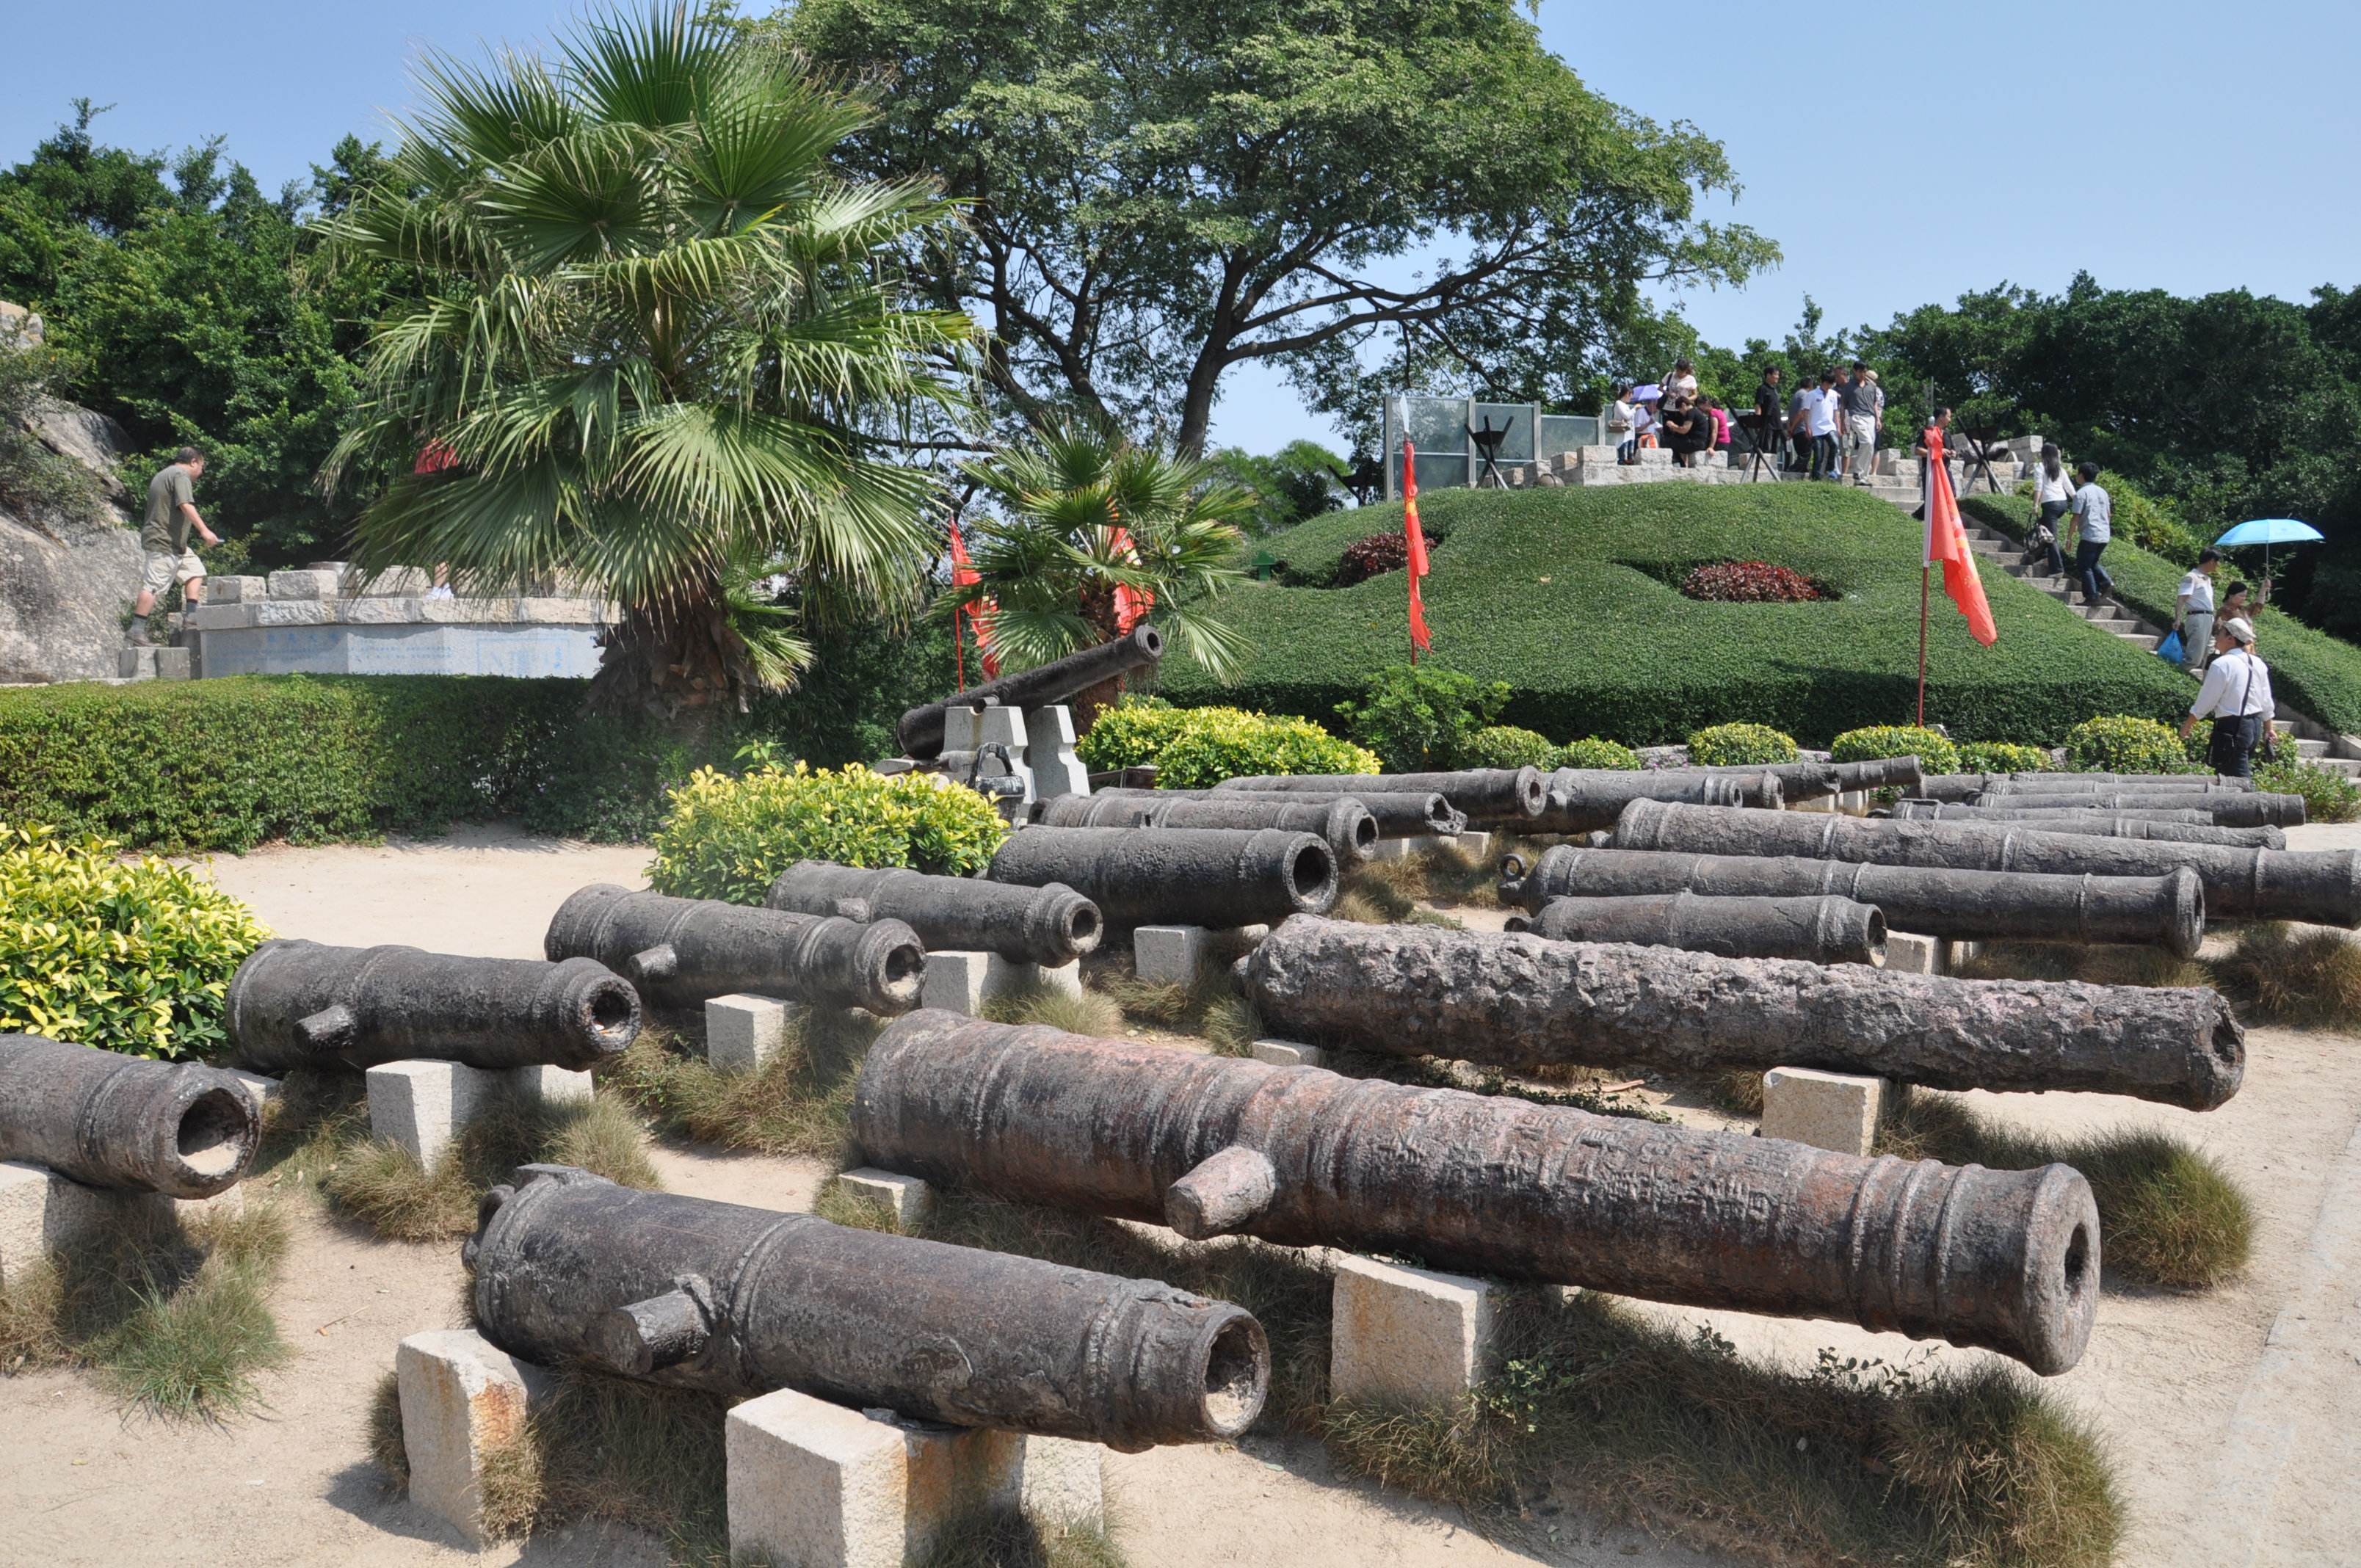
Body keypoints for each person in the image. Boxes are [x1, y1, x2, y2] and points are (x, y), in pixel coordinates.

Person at [129, 446, 218, 647]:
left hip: (176, 544)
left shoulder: (164, 474)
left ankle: (191, 618)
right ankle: (136, 630)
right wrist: (204, 531)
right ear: (194, 462)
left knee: (195, 571)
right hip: (163, 541)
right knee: (153, 586)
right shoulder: (180, 475)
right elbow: (185, 505)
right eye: (202, 467)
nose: (201, 473)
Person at [2180, 617, 2273, 778]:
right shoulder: (2258, 663)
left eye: (2220, 633)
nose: (2216, 637)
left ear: (2230, 639)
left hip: (2233, 727)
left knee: (2238, 778)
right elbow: (2266, 700)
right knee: (2229, 774)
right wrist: (2268, 729)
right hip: (2254, 726)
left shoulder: (2222, 664)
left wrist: (2188, 724)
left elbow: (2207, 700)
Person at [2067, 461, 2114, 606]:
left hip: (2090, 534)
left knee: (2084, 566)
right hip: (2104, 535)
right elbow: (2109, 515)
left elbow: (2076, 517)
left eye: (2077, 474)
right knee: (2092, 563)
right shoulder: (2103, 492)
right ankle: (2106, 582)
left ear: (2081, 475)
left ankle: (2092, 596)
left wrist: (2069, 538)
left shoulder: (2081, 494)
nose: (2076, 476)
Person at [2175, 548, 2222, 675]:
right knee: (2194, 659)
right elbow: (2181, 599)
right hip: (2198, 617)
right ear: (2211, 561)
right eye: (2218, 562)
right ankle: (2176, 674)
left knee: (2210, 653)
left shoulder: (2207, 579)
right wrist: (2177, 619)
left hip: (2208, 618)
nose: (2218, 565)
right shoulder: (2191, 577)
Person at [2031, 443, 2073, 575]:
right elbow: (2070, 488)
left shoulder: (2040, 467)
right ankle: (2042, 556)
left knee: (2051, 537)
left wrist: (2035, 505)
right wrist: (2079, 501)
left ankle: (2057, 569)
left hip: (2050, 505)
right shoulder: (2060, 469)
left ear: (2044, 454)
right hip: (2063, 504)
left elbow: (2038, 487)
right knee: (2042, 527)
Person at [1839, 361, 1882, 485]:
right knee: (1866, 442)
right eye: (1860, 372)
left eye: (1865, 372)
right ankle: (1857, 471)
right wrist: (1842, 423)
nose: (1863, 374)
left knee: (1870, 446)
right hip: (1856, 416)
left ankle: (1862, 477)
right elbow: (1843, 405)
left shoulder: (1871, 386)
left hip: (1871, 417)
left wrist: (1878, 419)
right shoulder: (1848, 387)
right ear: (1855, 371)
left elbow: (1874, 403)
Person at [1795, 370, 1841, 479]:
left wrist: (1838, 427)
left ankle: (1830, 469)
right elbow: (1806, 412)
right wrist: (1807, 427)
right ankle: (1815, 476)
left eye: (1831, 384)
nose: (1829, 386)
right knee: (1819, 453)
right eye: (1828, 383)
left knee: (1835, 444)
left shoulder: (1833, 394)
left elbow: (1836, 411)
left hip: (1829, 426)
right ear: (1823, 382)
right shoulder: (1811, 395)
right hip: (1816, 428)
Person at [1658, 395, 1709, 467]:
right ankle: (1680, 463)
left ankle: (1679, 464)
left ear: (1683, 405)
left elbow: (1684, 430)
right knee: (1675, 438)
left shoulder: (1690, 413)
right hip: (1699, 442)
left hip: (1695, 443)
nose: (1680, 412)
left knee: (1665, 440)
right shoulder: (1695, 411)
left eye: (1680, 409)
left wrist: (1673, 426)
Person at [1752, 366, 1785, 467]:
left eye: (1778, 375)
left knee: (1775, 449)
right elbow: (1758, 405)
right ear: (1768, 375)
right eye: (1775, 374)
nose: (1777, 377)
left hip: (1777, 424)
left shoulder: (1774, 390)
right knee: (1767, 448)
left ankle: (1773, 468)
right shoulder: (1762, 389)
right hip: (1767, 424)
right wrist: (1757, 422)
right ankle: (1764, 468)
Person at [1608, 384, 1636, 464]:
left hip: (1630, 435)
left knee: (1630, 459)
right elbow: (1626, 416)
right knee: (1623, 459)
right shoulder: (1618, 403)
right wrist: (1635, 409)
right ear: (1627, 394)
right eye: (1631, 395)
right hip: (1622, 434)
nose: (1631, 398)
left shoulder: (1626, 405)